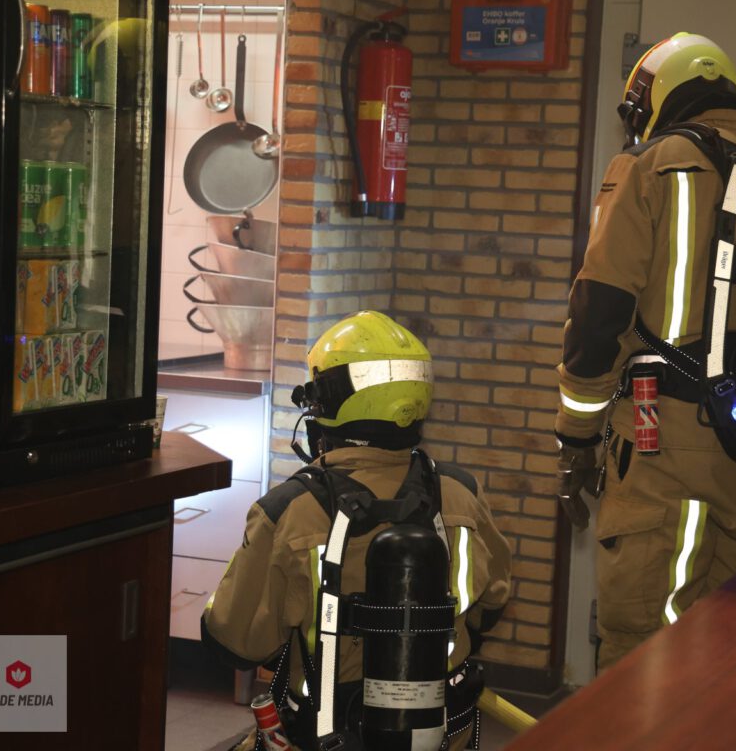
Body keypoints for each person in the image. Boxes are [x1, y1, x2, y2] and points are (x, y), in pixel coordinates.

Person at [554, 33, 736, 669]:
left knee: (647, 658)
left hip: (666, 453)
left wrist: (576, 436)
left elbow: (599, 315)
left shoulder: (650, 166)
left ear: (657, 96)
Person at [203, 310, 512, 750]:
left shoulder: (290, 512)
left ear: (326, 403)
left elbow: (235, 642)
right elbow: (491, 604)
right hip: (447, 736)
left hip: (329, 738)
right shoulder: (462, 494)